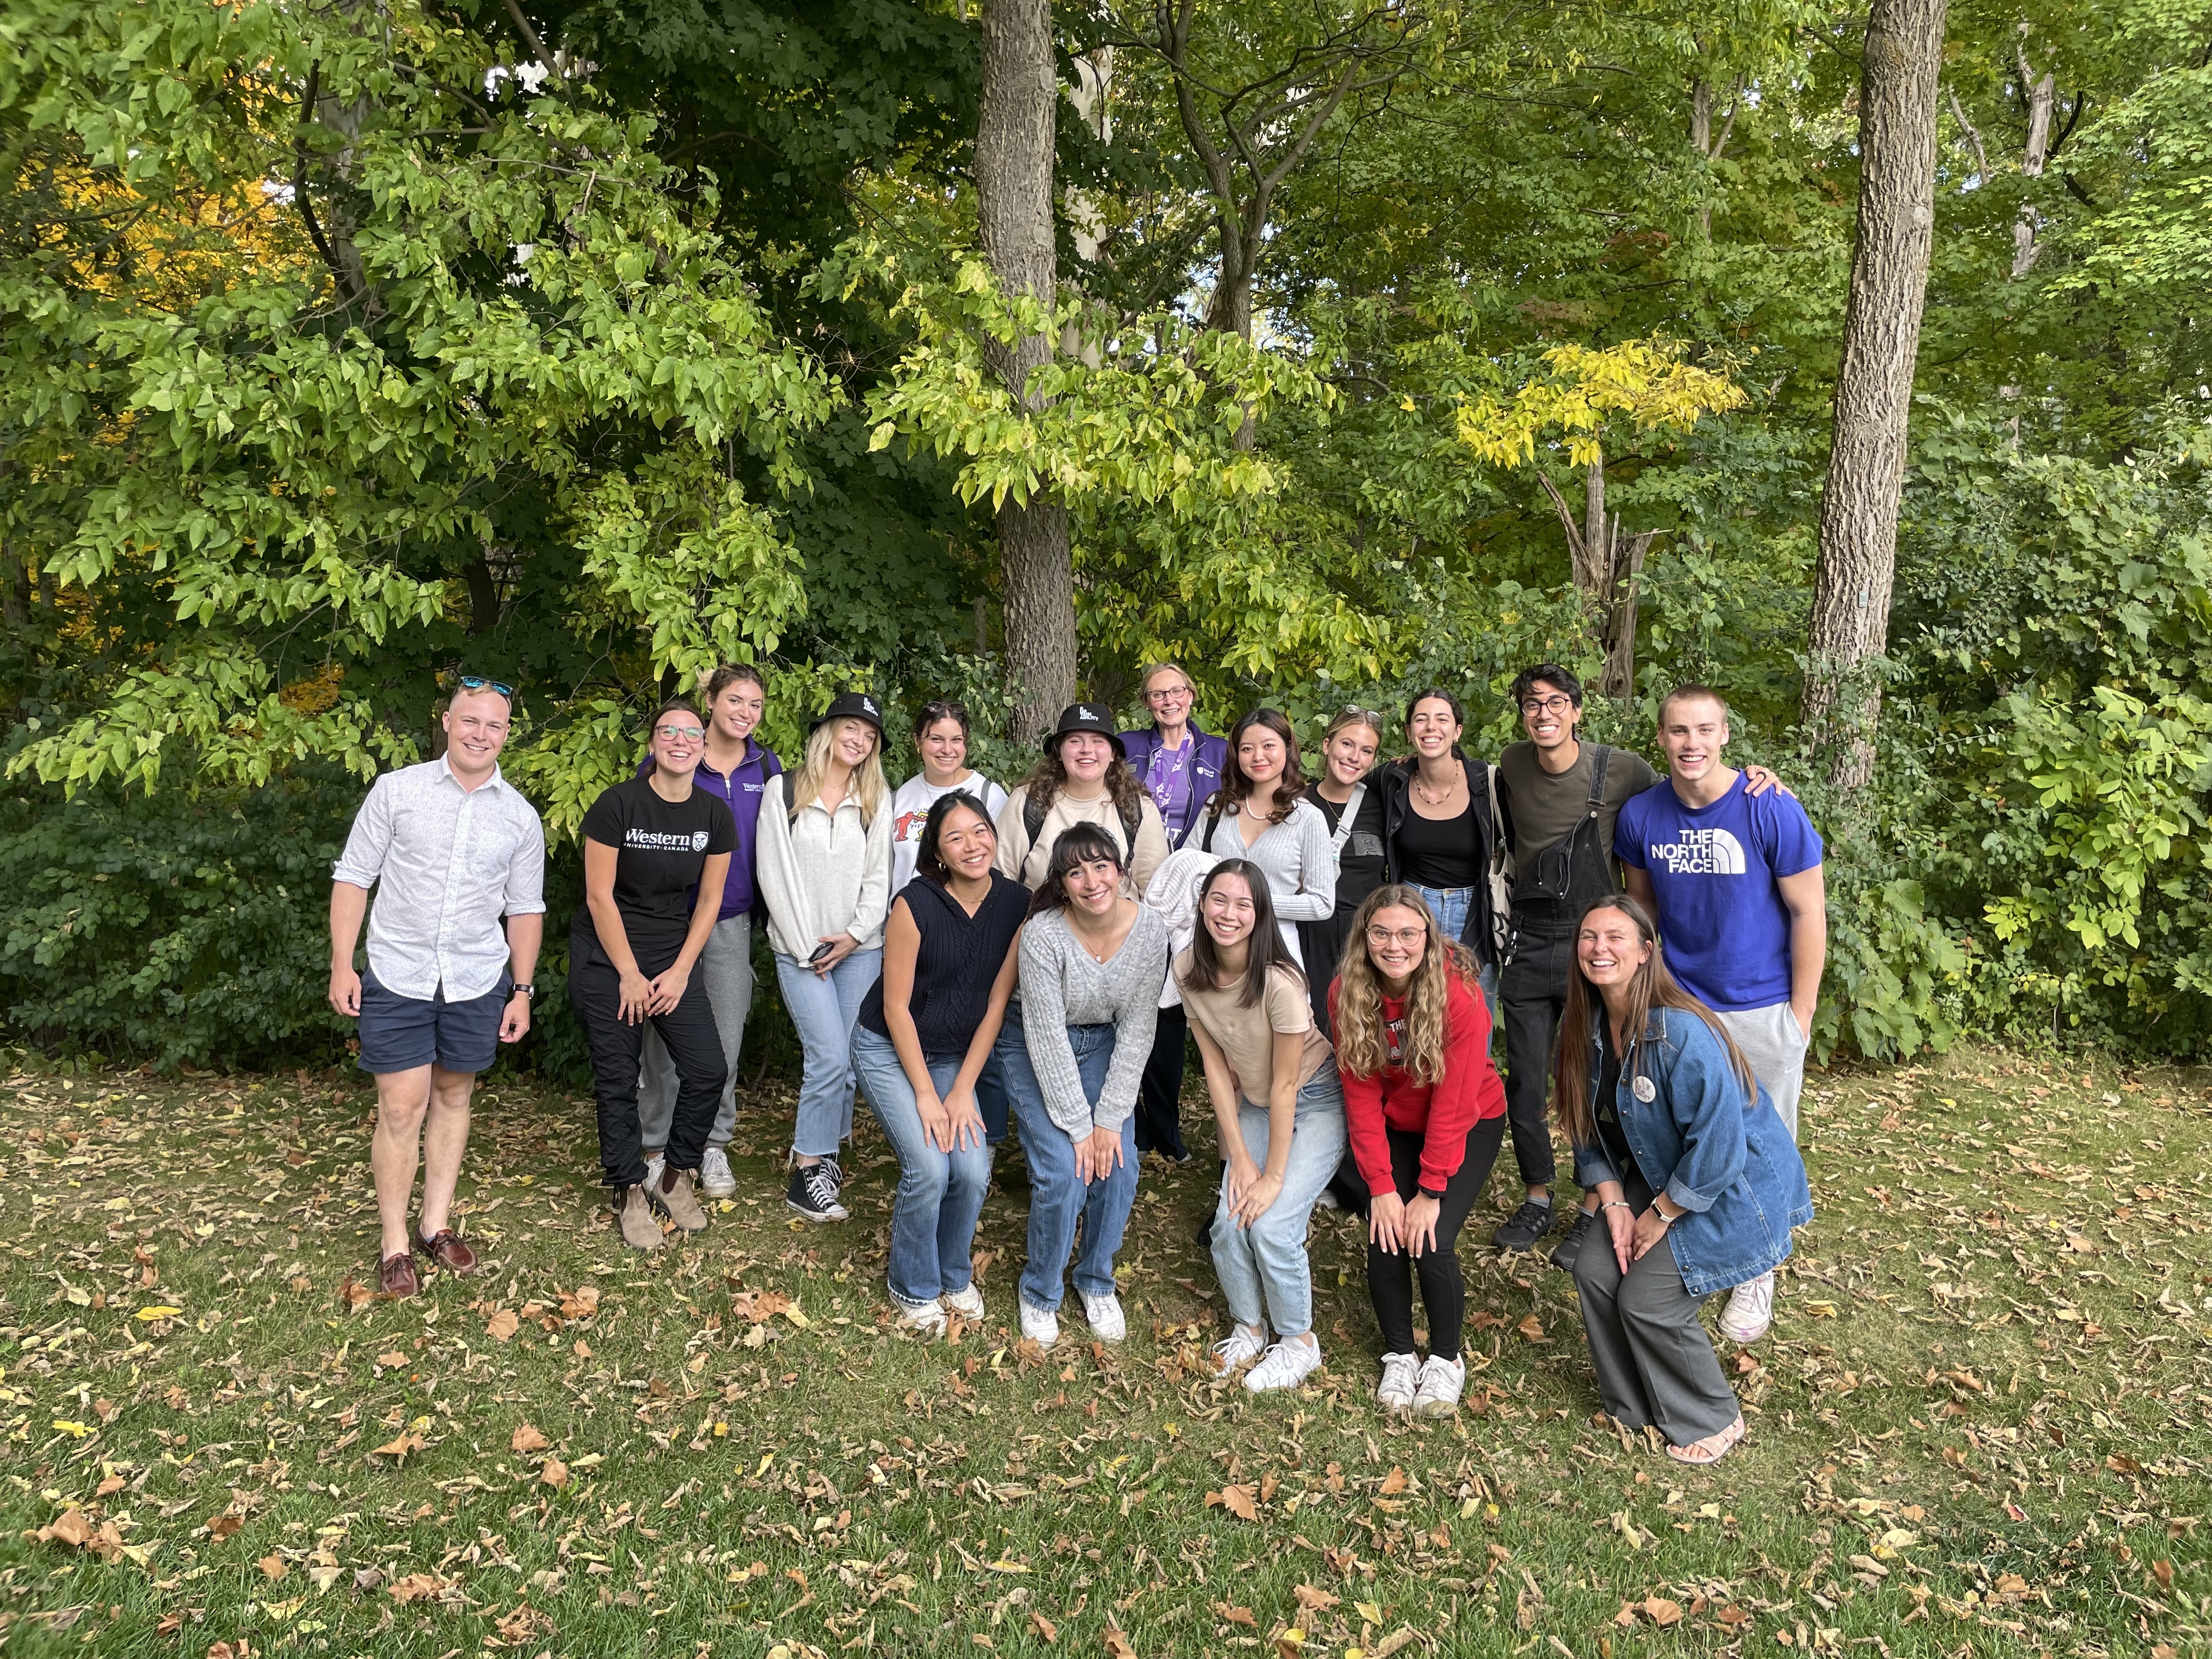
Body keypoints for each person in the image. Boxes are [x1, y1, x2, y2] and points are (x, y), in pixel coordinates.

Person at [1494, 665, 1787, 1267]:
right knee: (1526, 1079)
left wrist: (1756, 778)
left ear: (1577, 711)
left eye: (1556, 703)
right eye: (1531, 704)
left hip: (1597, 943)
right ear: (1521, 714)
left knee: (1594, 1074)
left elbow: (1690, 786)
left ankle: (1592, 1207)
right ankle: (1536, 1196)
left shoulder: (1622, 767)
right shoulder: (1510, 763)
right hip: (1532, 936)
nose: (1543, 713)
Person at [1556, 895, 1812, 1464]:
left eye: (1616, 938)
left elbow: (1719, 1150)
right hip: (1660, 1174)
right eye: (1589, 938)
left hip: (1729, 1187)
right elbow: (1583, 1127)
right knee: (1597, 1270)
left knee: (1648, 1299)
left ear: (1647, 952)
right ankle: (1635, 1404)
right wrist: (1615, 1205)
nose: (1600, 949)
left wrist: (1659, 1214)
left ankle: (1713, 1416)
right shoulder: (1585, 1026)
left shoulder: (1679, 1033)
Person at [1616, 685, 1826, 1344]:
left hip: (1762, 1006)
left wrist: (1801, 1017)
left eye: (1704, 729)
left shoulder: (1770, 808)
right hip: (1683, 1005)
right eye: (1678, 731)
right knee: (1691, 1132)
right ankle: (1704, 1240)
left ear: (1726, 734)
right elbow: (1641, 911)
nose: (1691, 744)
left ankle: (1758, 1270)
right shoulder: (1641, 816)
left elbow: (1808, 912)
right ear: (1661, 738)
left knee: (1764, 1143)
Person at [330, 678, 545, 1296]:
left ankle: (435, 1226)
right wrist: (344, 963)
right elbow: (353, 878)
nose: (481, 734)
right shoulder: (397, 792)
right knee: (401, 1107)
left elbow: (525, 909)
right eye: (470, 721)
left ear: (507, 735)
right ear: (448, 722)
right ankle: (394, 1243)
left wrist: (522, 991)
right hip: (398, 973)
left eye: (494, 725)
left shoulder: (520, 817)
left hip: (477, 979)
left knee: (454, 1098)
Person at [849, 792, 1027, 1335]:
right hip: (887, 1046)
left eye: (979, 831)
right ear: (939, 853)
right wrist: (928, 1095)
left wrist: (959, 1089)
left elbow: (997, 1003)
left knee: (972, 1171)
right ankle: (912, 1284)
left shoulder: (1017, 904)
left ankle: (954, 1274)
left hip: (956, 1056)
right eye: (955, 837)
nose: (972, 845)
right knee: (929, 1167)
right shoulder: (915, 903)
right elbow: (896, 1007)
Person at [1333, 884, 1509, 1419]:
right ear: (1365, 938)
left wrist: (1431, 1190)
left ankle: (1446, 1359)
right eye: (1381, 933)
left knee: (1429, 1240)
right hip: (1397, 1123)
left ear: (1427, 938)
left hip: (1470, 1119)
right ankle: (1401, 1353)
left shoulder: (1459, 994)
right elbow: (1359, 1093)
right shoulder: (1348, 990)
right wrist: (1383, 1189)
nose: (1394, 946)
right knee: (1385, 1234)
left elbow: (1454, 1102)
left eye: (1408, 934)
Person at [571, 697, 737, 1250]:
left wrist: (681, 971)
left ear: (705, 747)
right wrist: (628, 974)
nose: (682, 741)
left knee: (709, 1069)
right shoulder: (617, 805)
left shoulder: (714, 815)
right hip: (607, 958)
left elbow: (710, 899)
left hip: (671, 959)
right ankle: (628, 1189)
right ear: (652, 744)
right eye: (670, 732)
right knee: (619, 1079)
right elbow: (599, 895)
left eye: (693, 734)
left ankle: (673, 1175)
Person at [995, 825, 1169, 1346]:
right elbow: (1045, 1037)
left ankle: (1095, 1279)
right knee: (1065, 1171)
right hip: (1029, 1045)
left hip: (1103, 1044)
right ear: (1063, 884)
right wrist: (1079, 1128)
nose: (1091, 881)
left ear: (1120, 871)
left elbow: (1140, 1027)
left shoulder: (1151, 930)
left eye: (1100, 867)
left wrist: (1109, 1121)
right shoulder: (1044, 935)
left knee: (1118, 1164)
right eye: (1076, 872)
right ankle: (1040, 1291)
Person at [1180, 862, 1347, 1393]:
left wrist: (1270, 1176)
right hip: (1254, 1101)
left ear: (1260, 914)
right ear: (1203, 903)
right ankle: (1250, 1326)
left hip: (1315, 1099)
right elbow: (1214, 1066)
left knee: (1272, 1224)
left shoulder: (1279, 979)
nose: (1229, 914)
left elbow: (1285, 1085)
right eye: (1219, 901)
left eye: (1243, 905)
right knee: (1231, 1218)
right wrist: (1238, 1157)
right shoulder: (1187, 968)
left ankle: (1298, 1341)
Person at [637, 664, 781, 1203]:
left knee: (724, 1039)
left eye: (755, 705)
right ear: (711, 702)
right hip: (668, 921)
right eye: (735, 701)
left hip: (731, 920)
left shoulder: (766, 765)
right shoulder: (678, 754)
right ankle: (656, 1147)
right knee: (662, 1040)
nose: (744, 713)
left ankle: (712, 1144)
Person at [757, 691, 895, 1222]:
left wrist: (856, 936)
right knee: (829, 1058)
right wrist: (806, 945)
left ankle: (829, 1156)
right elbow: (774, 873)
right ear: (829, 730)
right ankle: (805, 1172)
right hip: (801, 950)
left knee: (851, 1065)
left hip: (859, 950)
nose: (858, 741)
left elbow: (878, 877)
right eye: (850, 729)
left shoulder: (875, 799)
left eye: (869, 735)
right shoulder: (785, 789)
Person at [1376, 689, 1504, 995]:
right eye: (1421, 720)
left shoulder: (1487, 784)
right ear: (1409, 732)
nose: (1431, 727)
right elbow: (1341, 788)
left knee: (1471, 1020)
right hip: (1411, 910)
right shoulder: (1391, 780)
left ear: (1457, 731)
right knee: (1410, 1021)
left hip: (1474, 914)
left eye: (1442, 719)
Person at [1190, 708, 1336, 962]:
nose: (1258, 756)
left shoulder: (1308, 818)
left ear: (1288, 748)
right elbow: (1187, 873)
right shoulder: (1218, 806)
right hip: (1214, 949)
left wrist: (1252, 904)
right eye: (1247, 749)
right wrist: (1219, 906)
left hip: (1275, 952)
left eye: (1268, 745)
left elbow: (1322, 903)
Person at [995, 702, 1170, 897]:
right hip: (1041, 922)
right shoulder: (1029, 802)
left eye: (1097, 741)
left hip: (1120, 925)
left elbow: (1154, 892)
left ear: (1113, 754)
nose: (1087, 749)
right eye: (1076, 741)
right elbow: (1001, 879)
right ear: (1059, 752)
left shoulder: (1138, 808)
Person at [1297, 707, 1387, 1035]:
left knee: (1365, 1031)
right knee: (1314, 1030)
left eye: (1367, 751)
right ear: (1326, 745)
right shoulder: (1296, 803)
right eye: (1347, 744)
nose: (1354, 757)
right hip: (1309, 932)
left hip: (1365, 933)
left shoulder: (1384, 804)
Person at [888, 700, 1009, 896]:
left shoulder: (988, 795)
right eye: (936, 739)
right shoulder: (897, 800)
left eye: (956, 740)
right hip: (904, 919)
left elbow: (1004, 868)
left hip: (965, 918)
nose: (947, 749)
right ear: (917, 741)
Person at [1118, 662, 1231, 851]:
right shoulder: (1126, 747)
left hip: (1196, 862)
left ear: (1190, 696)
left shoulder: (1220, 752)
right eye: (1158, 694)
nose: (1169, 701)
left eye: (1177, 691)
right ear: (1146, 702)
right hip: (1134, 861)